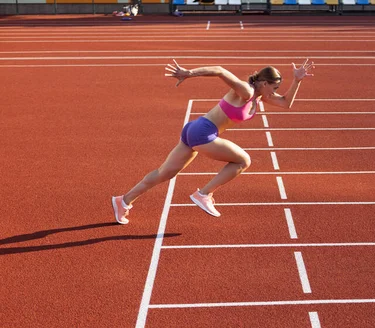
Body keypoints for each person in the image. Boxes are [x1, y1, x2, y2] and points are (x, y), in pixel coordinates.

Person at [111, 59, 314, 224]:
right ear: (264, 83)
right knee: (243, 161)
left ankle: (124, 201)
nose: (275, 91)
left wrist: (298, 80)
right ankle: (203, 194)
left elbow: (286, 104)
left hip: (194, 129)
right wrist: (189, 73)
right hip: (203, 132)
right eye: (274, 87)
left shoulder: (260, 97)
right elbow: (219, 70)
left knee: (164, 173)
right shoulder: (247, 91)